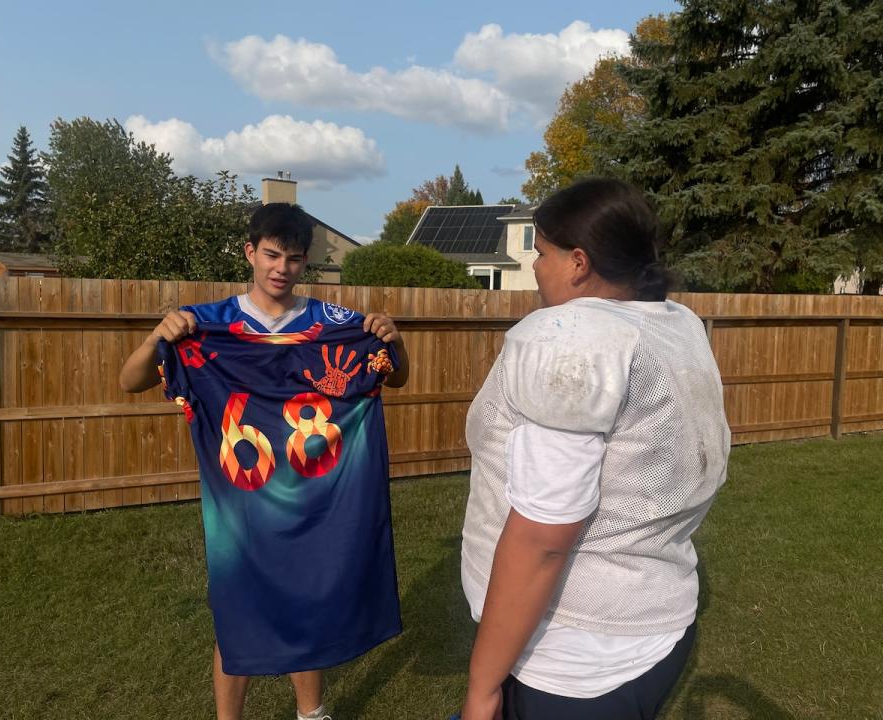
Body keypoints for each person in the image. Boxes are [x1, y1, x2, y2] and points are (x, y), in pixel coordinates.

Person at [119, 202, 409, 720]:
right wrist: (157, 337)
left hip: (318, 499)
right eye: (272, 255)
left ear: (306, 263)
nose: (281, 268)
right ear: (250, 252)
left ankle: (310, 713)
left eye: (294, 259)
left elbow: (394, 375)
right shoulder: (205, 325)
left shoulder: (336, 324)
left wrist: (394, 342)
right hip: (241, 505)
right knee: (239, 615)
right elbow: (130, 380)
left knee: (311, 604)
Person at [458, 178, 730, 720]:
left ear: (578, 263)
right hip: (658, 624)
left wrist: (482, 688)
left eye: (541, 252)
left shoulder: (573, 339)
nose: (536, 266)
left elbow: (542, 539)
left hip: (572, 658)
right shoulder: (674, 323)